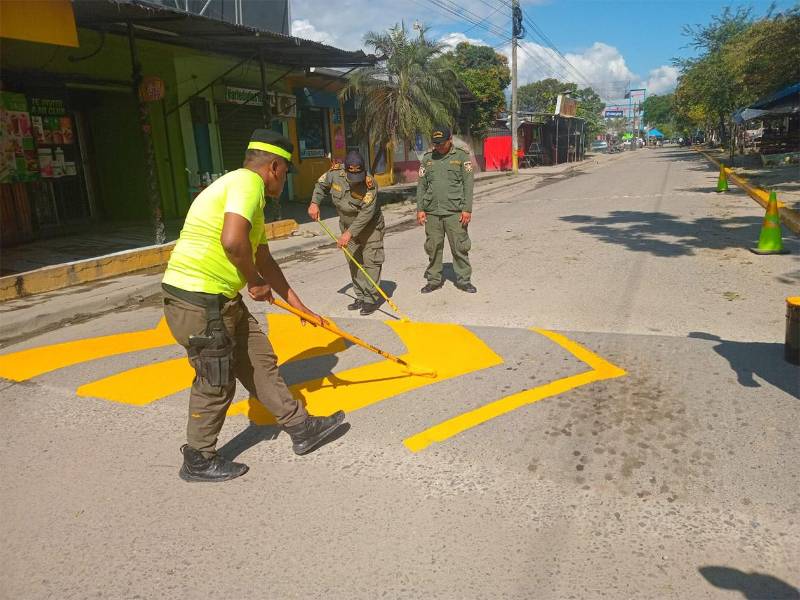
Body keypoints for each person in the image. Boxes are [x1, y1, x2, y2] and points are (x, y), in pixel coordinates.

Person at [162, 129, 346, 483]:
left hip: (220, 298)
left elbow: (262, 257)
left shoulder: (248, 196)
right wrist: (253, 281)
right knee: (215, 379)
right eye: (286, 172)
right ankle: (198, 458)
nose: (284, 181)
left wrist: (301, 307)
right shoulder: (247, 184)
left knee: (259, 360)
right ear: (274, 166)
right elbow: (233, 243)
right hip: (199, 298)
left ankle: (301, 427)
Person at [309, 150, 385, 316]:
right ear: (345, 171)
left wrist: (348, 234)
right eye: (352, 177)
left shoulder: (370, 184)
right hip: (346, 225)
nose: (356, 181)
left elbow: (366, 214)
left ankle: (371, 299)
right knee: (354, 261)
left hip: (370, 227)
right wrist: (315, 203)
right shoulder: (335, 174)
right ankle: (361, 295)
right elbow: (320, 185)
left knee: (371, 262)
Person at [415, 126, 476, 294]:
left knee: (459, 247)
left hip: (455, 211)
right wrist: (420, 209)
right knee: (433, 247)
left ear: (450, 140)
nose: (439, 147)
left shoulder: (462, 157)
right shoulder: (427, 159)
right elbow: (421, 186)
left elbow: (468, 184)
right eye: (436, 144)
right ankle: (434, 280)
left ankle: (463, 280)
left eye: (442, 143)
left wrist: (467, 209)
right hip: (432, 212)